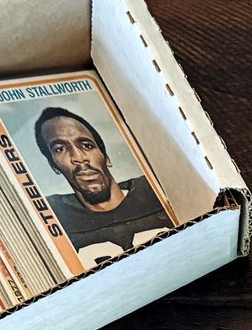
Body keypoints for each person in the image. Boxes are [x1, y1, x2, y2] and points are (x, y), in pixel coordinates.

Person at [35, 106, 170, 256]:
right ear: (54, 166)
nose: (79, 158)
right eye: (60, 149)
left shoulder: (155, 189)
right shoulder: (52, 215)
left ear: (106, 158)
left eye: (87, 145)